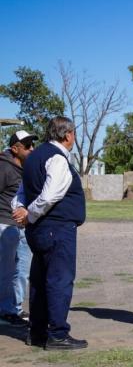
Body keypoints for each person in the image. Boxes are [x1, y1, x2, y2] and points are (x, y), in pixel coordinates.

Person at [12, 117, 87, 350]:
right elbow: (50, 195)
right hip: (56, 227)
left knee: (40, 281)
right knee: (59, 280)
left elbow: (20, 194)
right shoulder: (57, 157)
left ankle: (37, 332)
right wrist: (29, 214)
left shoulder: (32, 157)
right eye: (73, 133)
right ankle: (57, 334)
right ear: (67, 135)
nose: (74, 137)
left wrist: (21, 210)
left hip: (40, 230)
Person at [0, 131, 36, 327]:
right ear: (15, 149)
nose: (32, 149)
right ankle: (5, 309)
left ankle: (15, 307)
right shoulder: (3, 167)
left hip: (24, 226)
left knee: (23, 270)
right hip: (6, 224)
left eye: (32, 145)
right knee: (6, 270)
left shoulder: (27, 168)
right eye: (27, 145)